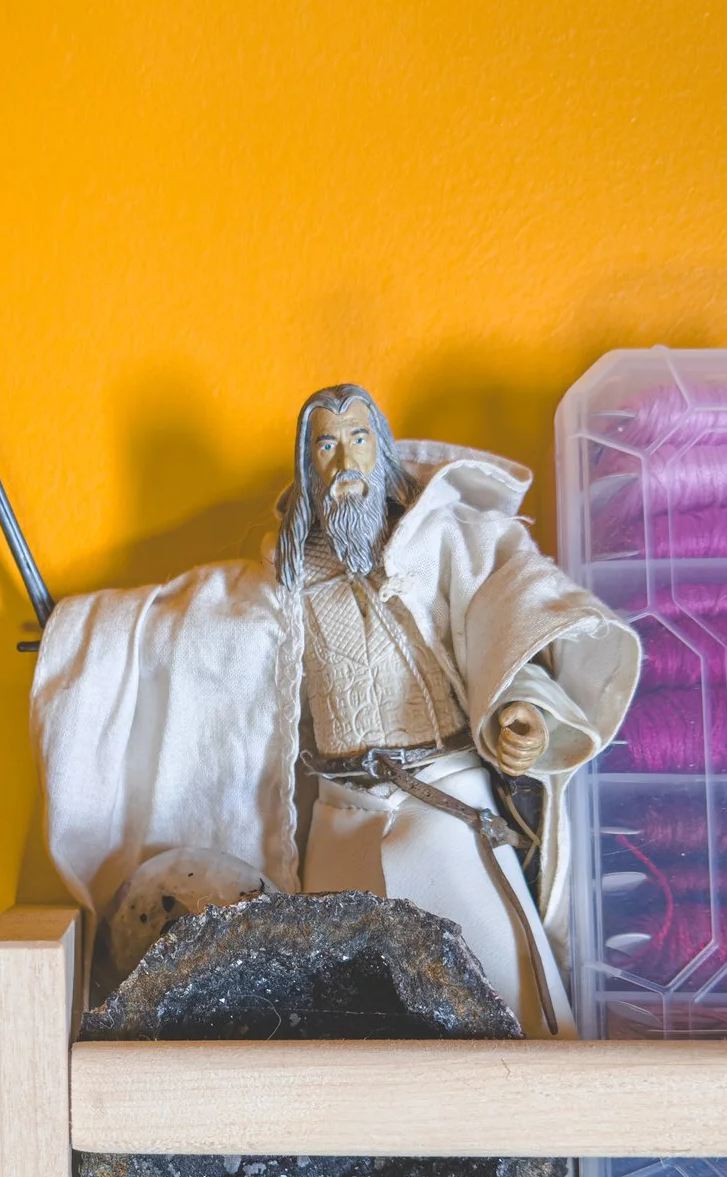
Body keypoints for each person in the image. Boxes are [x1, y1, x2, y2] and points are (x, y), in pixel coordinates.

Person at [32, 384, 638, 1033]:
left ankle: (542, 1124)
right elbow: (189, 629)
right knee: (334, 1015)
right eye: (325, 446)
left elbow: (506, 615)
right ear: (305, 463)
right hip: (340, 810)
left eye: (357, 441)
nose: (343, 464)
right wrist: (82, 635)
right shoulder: (285, 577)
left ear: (379, 451)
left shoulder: (439, 542)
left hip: (438, 796)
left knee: (505, 990)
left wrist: (521, 709)